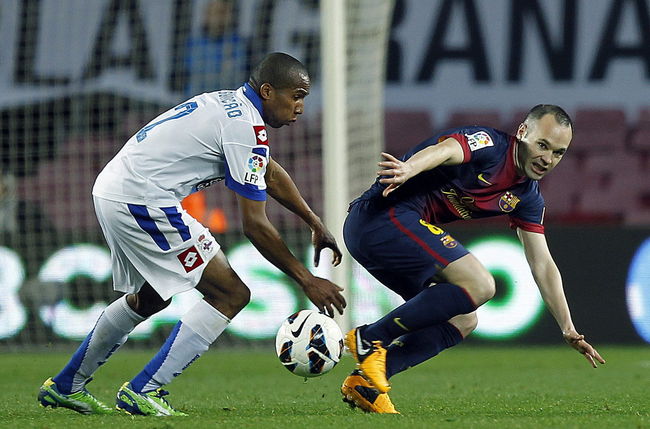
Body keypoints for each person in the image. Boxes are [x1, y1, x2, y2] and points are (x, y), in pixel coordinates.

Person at [38, 52, 346, 416]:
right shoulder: (244, 128)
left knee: (151, 298)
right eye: (296, 96)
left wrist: (313, 221)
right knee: (231, 294)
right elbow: (255, 225)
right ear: (267, 91)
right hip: (142, 198)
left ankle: (66, 385)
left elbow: (269, 172)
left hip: (115, 190)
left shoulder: (231, 105)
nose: (300, 107)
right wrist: (306, 279)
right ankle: (144, 391)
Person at [340, 105, 605, 414]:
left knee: (463, 320)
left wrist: (568, 328)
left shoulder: (527, 197)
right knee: (480, 284)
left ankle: (367, 383)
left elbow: (542, 264)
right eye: (542, 145)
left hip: (387, 236)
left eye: (558, 153)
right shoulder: (490, 145)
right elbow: (446, 150)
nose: (548, 159)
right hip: (380, 217)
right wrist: (410, 168)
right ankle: (370, 338)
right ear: (523, 132)